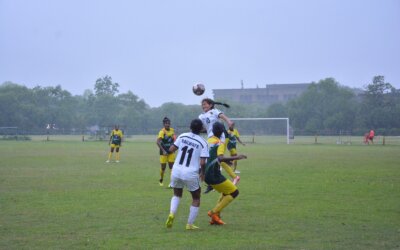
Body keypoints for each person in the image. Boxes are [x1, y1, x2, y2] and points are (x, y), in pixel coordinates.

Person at [165, 118, 209, 230]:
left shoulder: (182, 136)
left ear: (190, 126)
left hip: (176, 170)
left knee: (177, 194)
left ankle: (172, 214)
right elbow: (203, 162)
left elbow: (171, 149)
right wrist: (203, 173)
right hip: (190, 173)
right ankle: (189, 224)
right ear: (201, 129)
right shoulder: (203, 142)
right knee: (196, 198)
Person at [205, 122, 247, 225]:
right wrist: (236, 157)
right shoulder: (220, 143)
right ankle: (213, 212)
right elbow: (220, 157)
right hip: (214, 174)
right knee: (234, 192)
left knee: (226, 192)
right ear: (221, 131)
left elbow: (212, 157)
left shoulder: (207, 141)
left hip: (206, 174)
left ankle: (215, 219)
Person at [198, 98, 238, 194]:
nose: (203, 106)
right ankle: (212, 182)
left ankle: (230, 177)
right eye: (202, 104)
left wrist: (229, 122)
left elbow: (224, 117)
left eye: (205, 104)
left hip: (219, 137)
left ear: (211, 105)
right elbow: (204, 128)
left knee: (211, 159)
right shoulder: (201, 116)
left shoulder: (214, 111)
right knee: (213, 159)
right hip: (210, 138)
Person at [156, 117, 176, 186]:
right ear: (164, 124)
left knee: (172, 167)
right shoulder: (162, 132)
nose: (168, 125)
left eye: (169, 123)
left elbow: (174, 140)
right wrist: (163, 150)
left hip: (170, 151)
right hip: (163, 152)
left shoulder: (172, 130)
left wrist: (174, 148)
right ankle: (161, 179)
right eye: (166, 123)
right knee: (163, 168)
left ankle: (172, 182)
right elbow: (158, 142)